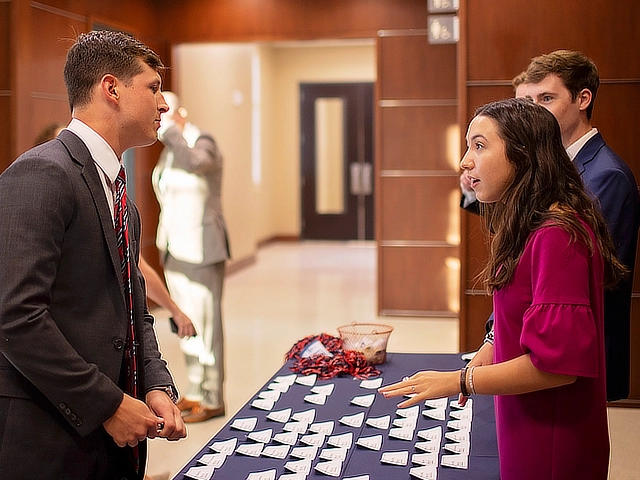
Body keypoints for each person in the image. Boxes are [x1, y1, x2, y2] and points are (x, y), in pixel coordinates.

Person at [381, 97, 626, 479]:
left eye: (479, 146)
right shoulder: (532, 222)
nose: (465, 161)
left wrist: (458, 380)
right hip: (526, 418)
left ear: (522, 154)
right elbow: (524, 306)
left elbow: (557, 368)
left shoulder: (556, 234)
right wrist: (492, 344)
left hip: (552, 437)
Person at [0, 30, 187, 480]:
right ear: (111, 89)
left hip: (110, 441)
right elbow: (16, 316)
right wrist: (107, 403)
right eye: (154, 87)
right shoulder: (43, 172)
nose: (164, 105)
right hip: (49, 437)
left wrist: (155, 382)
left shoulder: (119, 191)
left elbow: (133, 308)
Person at [462, 50, 640, 401]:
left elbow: (585, 276)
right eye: (528, 100)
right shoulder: (548, 170)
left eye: (546, 99)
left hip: (567, 347)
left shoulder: (606, 176)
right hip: (535, 338)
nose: (534, 111)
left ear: (582, 99)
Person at [152, 91, 230, 423]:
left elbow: (195, 163)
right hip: (174, 249)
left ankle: (213, 397)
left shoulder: (202, 141)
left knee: (207, 326)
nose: (161, 115)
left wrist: (171, 131)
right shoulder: (170, 151)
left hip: (202, 249)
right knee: (183, 322)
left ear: (180, 112)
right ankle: (195, 391)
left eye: (166, 110)